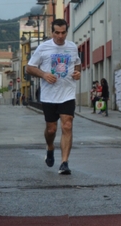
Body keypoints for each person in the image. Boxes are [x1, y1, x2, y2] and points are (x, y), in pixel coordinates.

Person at [26, 18, 81, 175]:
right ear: (52, 32)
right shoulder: (43, 48)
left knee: (67, 125)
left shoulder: (72, 47)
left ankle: (64, 163)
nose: (60, 36)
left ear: (66, 32)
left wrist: (78, 72)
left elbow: (77, 63)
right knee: (51, 129)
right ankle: (50, 147)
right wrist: (43, 74)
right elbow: (29, 68)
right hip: (49, 95)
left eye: (63, 33)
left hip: (67, 93)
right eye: (57, 33)